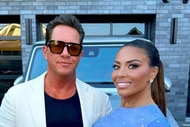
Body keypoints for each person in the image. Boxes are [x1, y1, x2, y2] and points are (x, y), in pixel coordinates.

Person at [0, 14, 112, 127]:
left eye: (73, 48)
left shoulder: (100, 100)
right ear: (45, 51)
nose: (65, 54)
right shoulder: (15, 98)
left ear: (80, 55)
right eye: (57, 46)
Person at [93, 39, 171, 127]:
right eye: (116, 66)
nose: (120, 74)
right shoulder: (107, 110)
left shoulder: (156, 123)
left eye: (132, 66)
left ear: (153, 73)